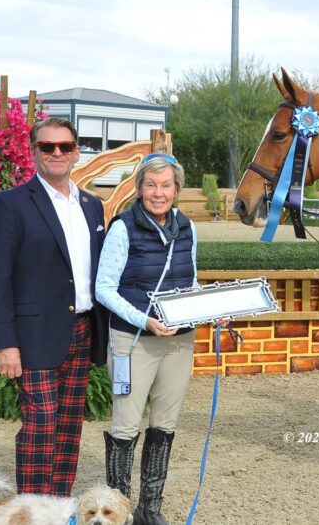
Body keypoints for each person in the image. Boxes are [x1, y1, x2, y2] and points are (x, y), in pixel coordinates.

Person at [0, 118, 109, 496]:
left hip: (84, 331)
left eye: (65, 146)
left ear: (76, 152)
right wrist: (5, 343)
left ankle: (58, 507)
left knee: (69, 427)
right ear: (33, 151)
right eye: (47, 147)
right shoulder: (10, 204)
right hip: (34, 335)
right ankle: (35, 513)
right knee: (39, 426)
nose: (57, 153)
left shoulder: (92, 206)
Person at [96, 153, 200, 525]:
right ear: (139, 188)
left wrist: (206, 306)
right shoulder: (123, 227)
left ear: (177, 188)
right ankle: (117, 513)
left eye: (166, 185)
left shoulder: (188, 227)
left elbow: (191, 283)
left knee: (164, 425)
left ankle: (149, 510)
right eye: (151, 185)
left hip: (178, 342)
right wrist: (146, 321)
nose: (159, 192)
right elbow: (104, 289)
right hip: (133, 341)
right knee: (125, 426)